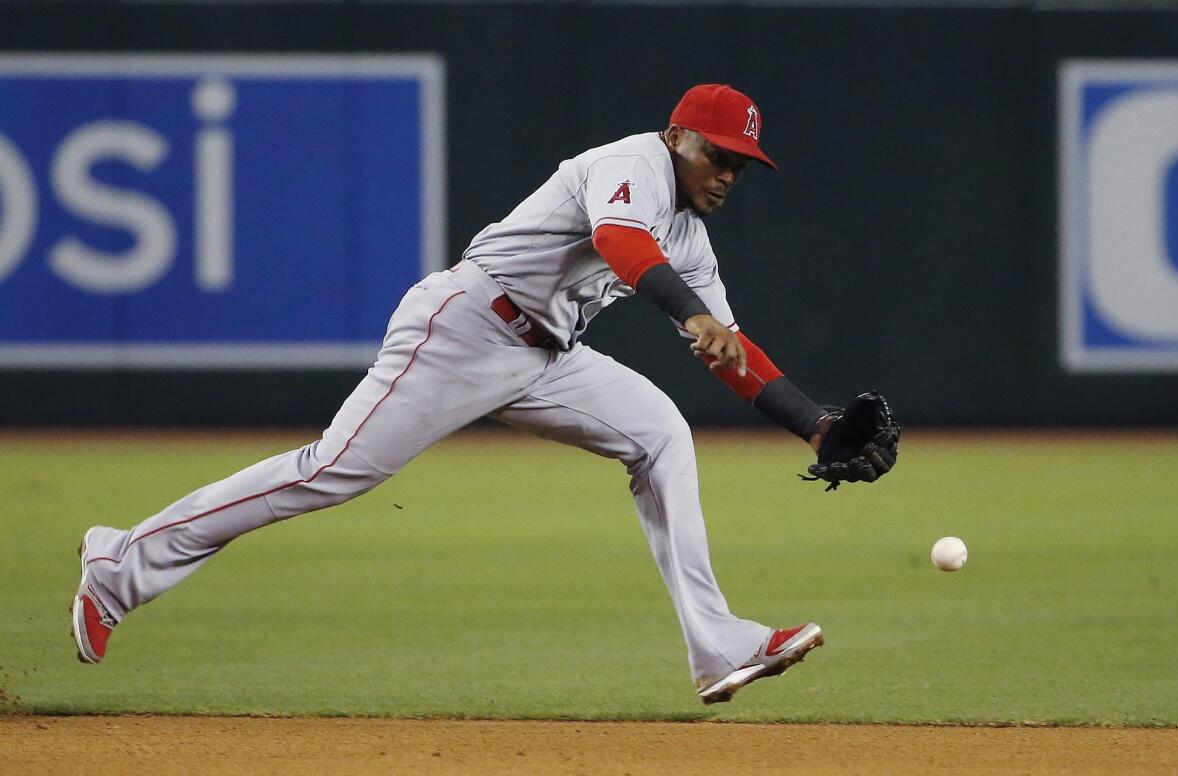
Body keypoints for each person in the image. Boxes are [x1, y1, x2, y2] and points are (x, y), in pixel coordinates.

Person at [72, 84, 837, 705]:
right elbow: (619, 242)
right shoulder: (631, 160)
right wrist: (692, 314)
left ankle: (719, 646)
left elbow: (732, 354)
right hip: (468, 325)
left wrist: (814, 426)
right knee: (329, 471)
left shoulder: (691, 239)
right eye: (719, 154)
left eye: (741, 165)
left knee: (662, 434)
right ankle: (120, 564)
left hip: (547, 356)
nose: (728, 174)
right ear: (677, 138)